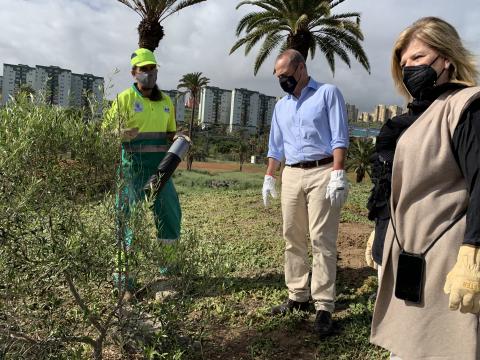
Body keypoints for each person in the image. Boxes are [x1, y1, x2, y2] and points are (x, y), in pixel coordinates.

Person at [369, 17, 480, 359]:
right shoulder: (411, 117)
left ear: (446, 58)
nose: (409, 69)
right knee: (406, 346)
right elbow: (394, 186)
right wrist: (381, 230)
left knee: (444, 347)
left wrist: (473, 252)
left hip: (448, 262)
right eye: (403, 65)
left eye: (417, 58)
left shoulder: (466, 106)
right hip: (406, 259)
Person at [262, 49, 349, 336]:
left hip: (322, 171)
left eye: (285, 76)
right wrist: (269, 176)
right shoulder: (281, 107)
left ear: (301, 69)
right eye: (278, 77)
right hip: (292, 173)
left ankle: (323, 305)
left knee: (322, 238)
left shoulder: (327, 94)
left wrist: (338, 172)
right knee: (292, 235)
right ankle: (298, 295)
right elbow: (276, 146)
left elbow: (339, 136)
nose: (282, 82)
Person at [103, 48, 182, 287]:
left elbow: (170, 134)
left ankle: (167, 274)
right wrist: (120, 133)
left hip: (161, 172)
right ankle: (125, 282)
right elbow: (105, 134)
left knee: (169, 217)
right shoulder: (124, 99)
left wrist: (179, 137)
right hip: (132, 173)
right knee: (129, 223)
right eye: (144, 69)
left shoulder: (166, 101)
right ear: (133, 73)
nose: (149, 73)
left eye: (152, 68)